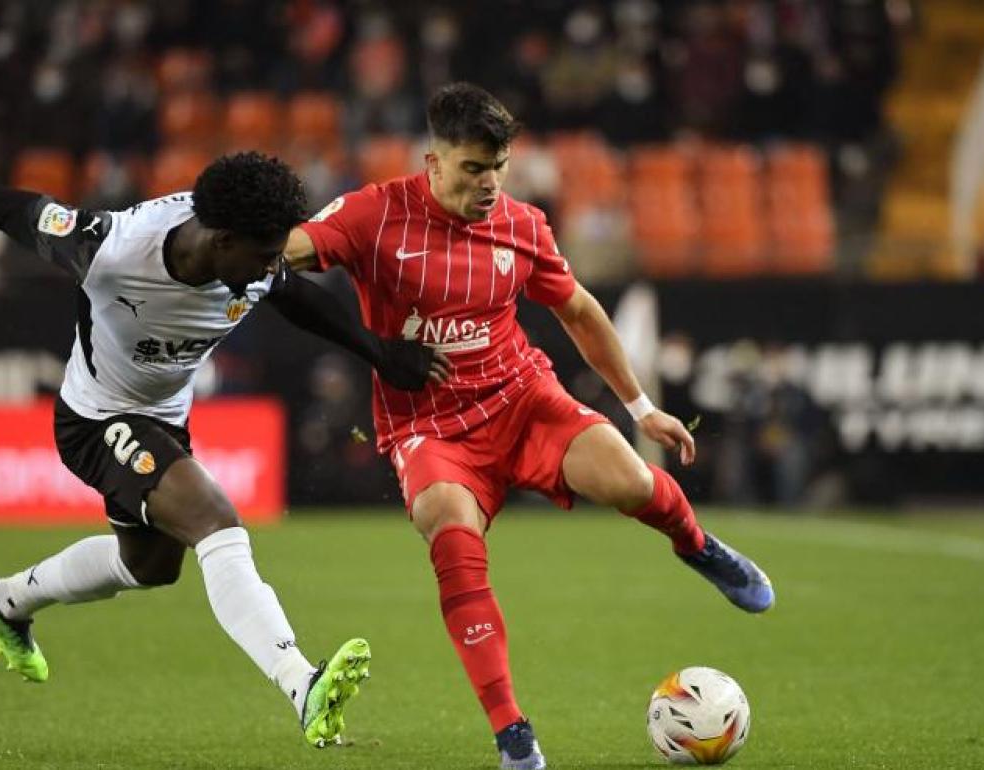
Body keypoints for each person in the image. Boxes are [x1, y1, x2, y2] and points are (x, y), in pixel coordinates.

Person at [0, 151, 450, 749]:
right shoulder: (110, 247)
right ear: (221, 240)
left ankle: (7, 599)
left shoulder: (253, 258)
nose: (275, 265)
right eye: (265, 255)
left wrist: (378, 354)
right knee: (214, 520)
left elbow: (296, 297)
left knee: (150, 566)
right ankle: (302, 684)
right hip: (97, 420)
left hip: (165, 421)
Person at [283, 83, 774, 769]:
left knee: (633, 482)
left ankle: (696, 546)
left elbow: (579, 311)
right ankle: (514, 736)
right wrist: (250, 246)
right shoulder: (376, 212)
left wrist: (641, 408)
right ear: (433, 162)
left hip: (522, 399)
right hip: (430, 429)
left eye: (499, 167)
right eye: (472, 168)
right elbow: (289, 251)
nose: (489, 184)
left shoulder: (522, 225)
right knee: (451, 532)